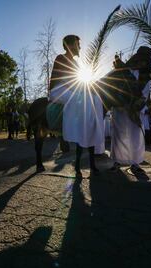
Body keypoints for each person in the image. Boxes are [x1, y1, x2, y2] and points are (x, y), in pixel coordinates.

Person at [49, 35, 104, 175]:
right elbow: (64, 80)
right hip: (58, 90)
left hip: (71, 90)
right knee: (78, 100)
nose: (79, 47)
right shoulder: (60, 58)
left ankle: (92, 133)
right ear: (70, 45)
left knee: (93, 99)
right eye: (77, 44)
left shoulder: (75, 63)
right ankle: (70, 132)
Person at [110, 46, 151, 173]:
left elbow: (144, 95)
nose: (142, 62)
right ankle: (117, 161)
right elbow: (114, 86)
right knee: (119, 135)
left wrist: (135, 106)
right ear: (136, 58)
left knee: (135, 137)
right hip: (120, 109)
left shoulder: (145, 78)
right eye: (141, 59)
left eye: (145, 61)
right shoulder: (123, 70)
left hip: (134, 111)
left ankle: (135, 163)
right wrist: (120, 101)